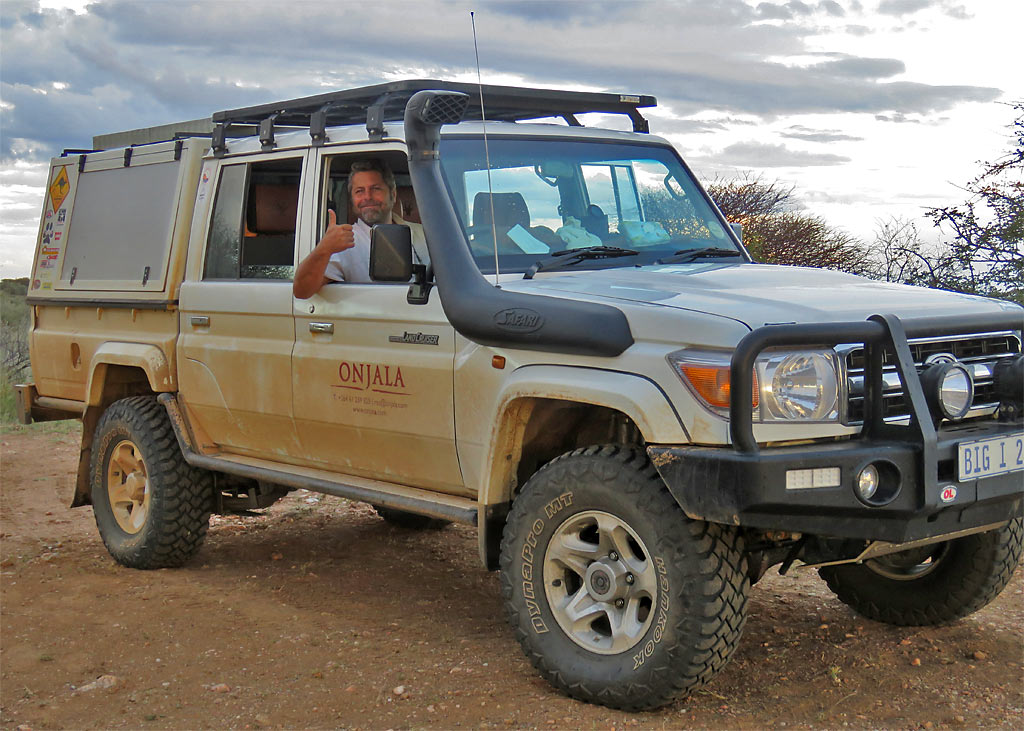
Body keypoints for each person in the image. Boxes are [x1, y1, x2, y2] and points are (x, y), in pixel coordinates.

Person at [292, 159, 426, 298]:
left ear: (393, 194)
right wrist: (324, 248)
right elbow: (301, 291)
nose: (367, 197)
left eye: (375, 189)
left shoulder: (424, 234)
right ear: (352, 200)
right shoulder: (342, 242)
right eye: (359, 191)